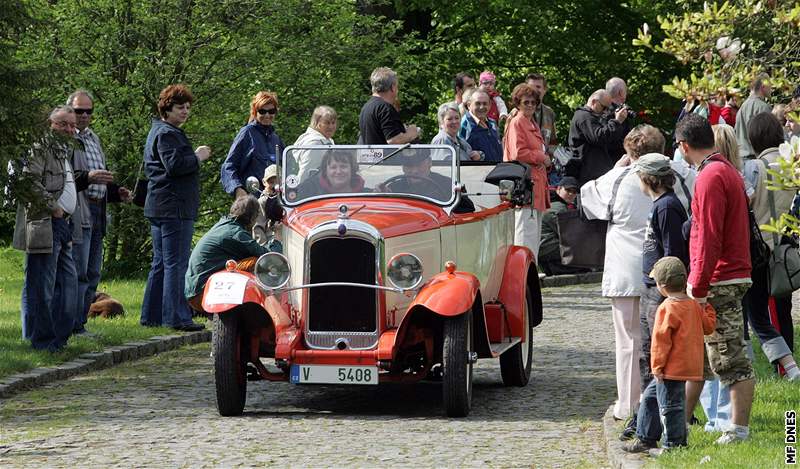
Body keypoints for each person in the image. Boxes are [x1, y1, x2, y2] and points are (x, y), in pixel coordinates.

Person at [582, 124, 694, 422]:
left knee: (629, 342)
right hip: (669, 271)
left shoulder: (619, 177)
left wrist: (616, 167)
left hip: (625, 270)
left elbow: (587, 198)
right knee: (671, 340)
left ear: (629, 152)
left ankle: (630, 404)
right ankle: (675, 404)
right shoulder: (679, 176)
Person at [677, 113, 756, 445]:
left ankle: (738, 430)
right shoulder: (726, 170)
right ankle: (679, 424)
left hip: (720, 279)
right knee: (703, 358)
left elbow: (708, 236)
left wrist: (698, 285)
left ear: (684, 146)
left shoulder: (710, 176)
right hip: (727, 274)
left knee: (730, 357)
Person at [618, 152, 694, 441]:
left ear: (647, 178)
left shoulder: (667, 208)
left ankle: (647, 427)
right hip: (650, 287)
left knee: (655, 359)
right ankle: (642, 420)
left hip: (659, 292)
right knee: (646, 357)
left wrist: (665, 292)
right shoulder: (660, 205)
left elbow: (672, 255)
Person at [623, 257, 716, 455]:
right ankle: (646, 438)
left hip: (669, 369)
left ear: (662, 286)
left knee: (671, 407)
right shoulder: (693, 305)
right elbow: (708, 327)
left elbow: (660, 342)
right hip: (689, 366)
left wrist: (656, 367)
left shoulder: (666, 307)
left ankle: (674, 446)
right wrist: (707, 307)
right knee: (650, 398)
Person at [141, 84, 211, 332]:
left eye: (188, 108)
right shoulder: (168, 134)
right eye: (180, 107)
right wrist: (197, 156)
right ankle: (176, 317)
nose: (185, 112)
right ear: (167, 109)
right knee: (175, 264)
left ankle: (152, 316)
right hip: (174, 208)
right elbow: (175, 165)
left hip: (161, 206)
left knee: (161, 263)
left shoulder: (158, 131)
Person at [12, 106, 79, 351]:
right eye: (63, 124)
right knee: (42, 286)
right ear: (50, 123)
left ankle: (59, 339)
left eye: (72, 125)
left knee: (68, 285)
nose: (69, 129)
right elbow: (28, 181)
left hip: (64, 225)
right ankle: (42, 342)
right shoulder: (41, 148)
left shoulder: (65, 150)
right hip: (45, 223)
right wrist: (53, 208)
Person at [66, 89, 131, 336]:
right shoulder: (67, 139)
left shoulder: (93, 139)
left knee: (93, 271)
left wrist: (116, 193)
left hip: (98, 209)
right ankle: (71, 324)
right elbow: (67, 178)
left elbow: (99, 176)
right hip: (77, 210)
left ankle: (80, 322)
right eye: (78, 111)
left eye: (88, 111)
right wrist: (89, 177)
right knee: (78, 270)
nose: (83, 115)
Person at [741, 112, 800, 380]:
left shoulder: (755, 168)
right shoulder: (792, 165)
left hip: (761, 246)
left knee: (759, 312)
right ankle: (787, 365)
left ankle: (784, 368)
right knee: (782, 308)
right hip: (786, 246)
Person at [185, 196, 273, 312]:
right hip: (202, 293)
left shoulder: (224, 224)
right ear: (251, 217)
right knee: (256, 261)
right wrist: (275, 238)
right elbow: (266, 255)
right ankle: (257, 308)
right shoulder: (236, 233)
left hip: (194, 289)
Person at [503, 83, 549, 259]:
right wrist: (541, 156)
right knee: (524, 234)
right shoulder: (517, 122)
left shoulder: (531, 123)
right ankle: (524, 275)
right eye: (526, 102)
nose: (530, 105)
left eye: (533, 102)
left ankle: (531, 273)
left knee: (533, 233)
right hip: (524, 186)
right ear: (517, 103)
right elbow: (517, 153)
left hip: (535, 183)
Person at [221, 91, 285, 198]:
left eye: (271, 111)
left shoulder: (276, 139)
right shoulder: (247, 133)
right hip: (254, 201)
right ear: (255, 112)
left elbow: (288, 169)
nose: (267, 115)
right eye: (262, 111)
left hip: (276, 202)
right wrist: (237, 189)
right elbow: (228, 166)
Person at [568, 89, 629, 187]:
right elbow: (599, 137)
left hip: (595, 172)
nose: (605, 111)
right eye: (603, 107)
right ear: (593, 102)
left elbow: (610, 140)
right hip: (588, 175)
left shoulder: (591, 117)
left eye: (607, 109)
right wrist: (616, 121)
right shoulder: (584, 117)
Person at [538, 176, 589, 276]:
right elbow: (569, 234)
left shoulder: (552, 202)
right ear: (559, 189)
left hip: (544, 249)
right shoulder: (558, 207)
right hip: (548, 249)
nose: (571, 194)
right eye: (568, 190)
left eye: (574, 192)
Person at [357, 67, 420, 145]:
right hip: (385, 157)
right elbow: (394, 140)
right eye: (397, 86)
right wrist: (412, 133)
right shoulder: (385, 108)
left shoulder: (366, 107)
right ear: (393, 87)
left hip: (370, 156)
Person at [295, 150, 365, 199]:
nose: (338, 172)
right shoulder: (309, 192)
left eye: (343, 166)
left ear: (352, 169)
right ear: (326, 171)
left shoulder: (367, 194)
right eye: (333, 167)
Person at [293, 105, 337, 181]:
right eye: (327, 123)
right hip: (313, 190)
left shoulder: (326, 140)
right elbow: (306, 174)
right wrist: (300, 191)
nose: (331, 126)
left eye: (333, 123)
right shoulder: (315, 144)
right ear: (316, 123)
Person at [735, 72, 772, 158]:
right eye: (770, 85)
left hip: (741, 159)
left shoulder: (742, 106)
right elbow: (768, 137)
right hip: (756, 159)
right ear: (763, 87)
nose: (771, 89)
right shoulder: (763, 107)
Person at [459, 88, 503, 162]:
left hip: (496, 171)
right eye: (478, 103)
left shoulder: (492, 124)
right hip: (477, 172)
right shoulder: (464, 125)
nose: (482, 107)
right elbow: (461, 155)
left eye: (485, 103)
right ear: (469, 105)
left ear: (489, 105)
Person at [605, 77, 634, 160]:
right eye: (626, 91)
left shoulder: (601, 110)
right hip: (618, 160)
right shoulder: (619, 113)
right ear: (621, 93)